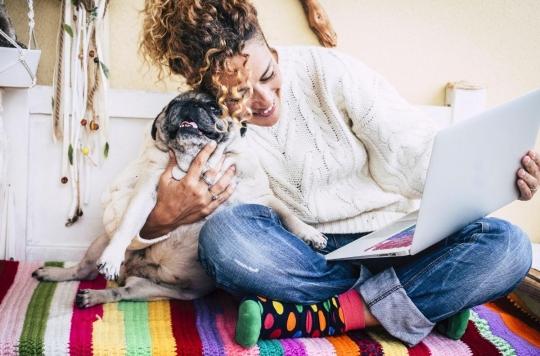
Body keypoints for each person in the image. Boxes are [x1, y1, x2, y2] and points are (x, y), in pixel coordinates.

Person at [135, 0, 536, 347]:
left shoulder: (330, 72)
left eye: (268, 75)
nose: (263, 100)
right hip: (301, 254)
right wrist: (159, 222)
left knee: (509, 245)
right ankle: (422, 299)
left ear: (272, 50)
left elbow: (413, 153)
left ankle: (324, 315)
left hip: (392, 242)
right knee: (225, 238)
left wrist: (496, 174)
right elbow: (150, 225)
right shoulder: (192, 120)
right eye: (238, 94)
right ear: (206, 91)